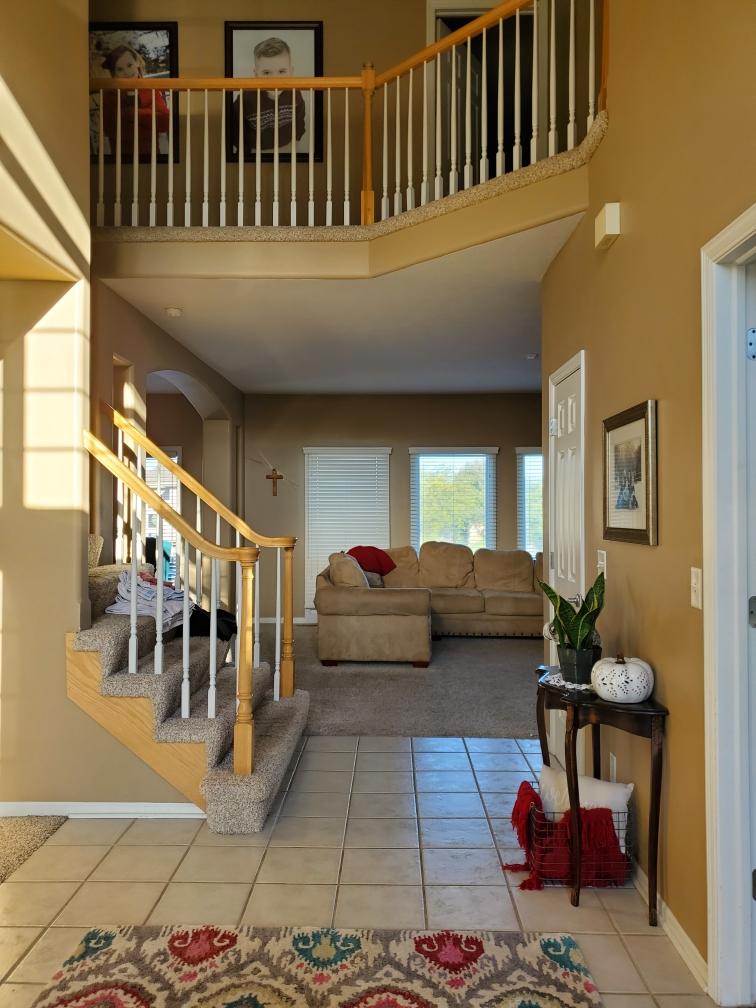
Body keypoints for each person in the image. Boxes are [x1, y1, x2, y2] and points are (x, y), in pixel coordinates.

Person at [232, 37, 306, 157]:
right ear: (256, 75)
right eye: (266, 72)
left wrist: (296, 140)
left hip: (288, 147)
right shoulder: (246, 99)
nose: (275, 79)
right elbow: (235, 128)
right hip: (255, 152)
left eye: (282, 71)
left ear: (291, 72)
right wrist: (246, 152)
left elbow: (299, 118)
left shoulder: (295, 92)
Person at [100, 44, 170, 160]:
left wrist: (132, 113)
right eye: (120, 69)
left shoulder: (150, 90)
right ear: (114, 73)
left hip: (151, 158)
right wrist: (148, 119)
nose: (127, 72)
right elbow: (111, 129)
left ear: (137, 62)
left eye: (129, 65)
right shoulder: (110, 96)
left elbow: (164, 122)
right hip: (121, 160)